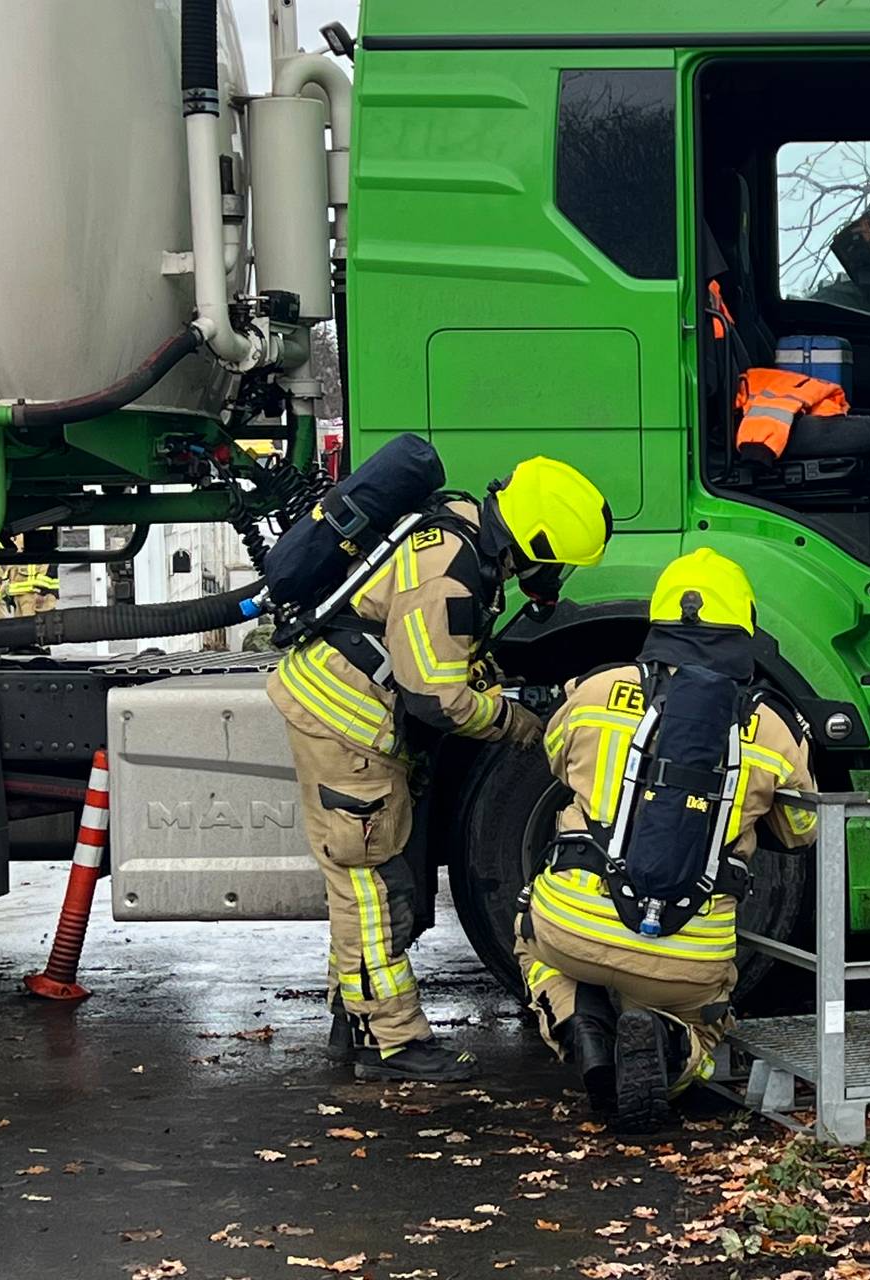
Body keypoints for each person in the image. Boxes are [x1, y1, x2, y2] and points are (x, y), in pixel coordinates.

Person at [266, 455, 613, 1083]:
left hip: (352, 713)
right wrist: (519, 724)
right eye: (555, 561)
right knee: (368, 881)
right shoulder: (450, 571)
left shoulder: (457, 533)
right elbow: (436, 696)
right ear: (535, 542)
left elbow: (440, 657)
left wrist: (510, 688)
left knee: (373, 878)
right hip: (345, 721)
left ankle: (353, 1017)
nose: (553, 577)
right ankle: (391, 1041)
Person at [518, 549, 815, 1131]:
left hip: (573, 928)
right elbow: (801, 832)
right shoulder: (772, 726)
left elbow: (556, 760)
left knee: (530, 932)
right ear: (744, 626)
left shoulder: (597, 690)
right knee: (707, 1024)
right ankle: (670, 1044)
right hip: (691, 955)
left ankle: (583, 1033)